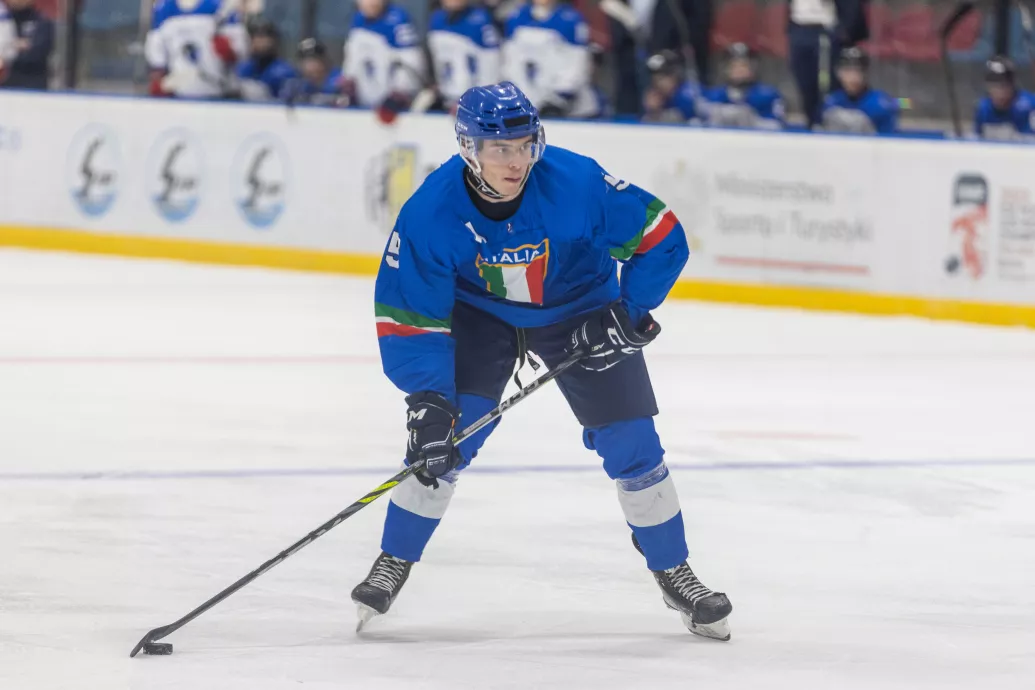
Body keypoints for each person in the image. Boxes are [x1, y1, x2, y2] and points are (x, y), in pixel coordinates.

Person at [351, 81, 734, 642]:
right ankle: (394, 558)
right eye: (500, 149)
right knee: (444, 439)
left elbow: (662, 236)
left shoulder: (576, 182)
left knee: (632, 441)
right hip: (481, 316)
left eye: (525, 145)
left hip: (581, 308)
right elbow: (411, 314)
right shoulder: (431, 211)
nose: (516, 161)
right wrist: (428, 398)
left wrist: (626, 314)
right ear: (469, 149)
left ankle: (674, 570)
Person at [502, 0, 601, 118]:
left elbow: (578, 64)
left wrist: (561, 95)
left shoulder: (571, 19)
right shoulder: (516, 17)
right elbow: (510, 62)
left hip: (568, 106)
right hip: (528, 102)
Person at [787, 0, 867, 128]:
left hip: (826, 27)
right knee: (804, 82)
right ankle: (812, 123)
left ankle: (832, 124)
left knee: (828, 84)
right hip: (798, 26)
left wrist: (843, 29)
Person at [145, 0, 248, 99]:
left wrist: (229, 51)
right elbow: (156, 56)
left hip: (219, 92)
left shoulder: (221, 6)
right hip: (178, 93)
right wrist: (160, 81)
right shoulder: (163, 9)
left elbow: (240, 50)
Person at [341, 0, 423, 113]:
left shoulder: (398, 21)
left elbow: (412, 62)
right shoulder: (357, 20)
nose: (371, 3)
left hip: (391, 108)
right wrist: (348, 84)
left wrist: (399, 94)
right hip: (362, 103)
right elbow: (352, 58)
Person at [423, 0, 501, 113]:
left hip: (474, 105)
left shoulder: (481, 21)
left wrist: (478, 102)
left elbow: (492, 68)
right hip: (446, 100)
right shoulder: (436, 20)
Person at [700, 43, 783, 130]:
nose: (739, 70)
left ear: (753, 68)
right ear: (726, 69)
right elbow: (698, 125)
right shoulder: (713, 96)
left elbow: (779, 126)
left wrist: (753, 121)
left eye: (744, 66)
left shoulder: (768, 95)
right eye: (734, 66)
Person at [820, 46, 897, 135]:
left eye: (858, 71)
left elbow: (889, 139)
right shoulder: (830, 101)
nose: (852, 77)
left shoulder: (882, 104)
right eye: (847, 70)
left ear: (866, 73)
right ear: (838, 73)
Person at [974, 55, 1035, 142]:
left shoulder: (1029, 106)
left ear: (1012, 84)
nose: (999, 91)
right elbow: (977, 141)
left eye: (1003, 85)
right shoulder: (983, 109)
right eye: (993, 85)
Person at [236, 16, 296, 102]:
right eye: (257, 37)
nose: (261, 42)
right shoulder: (243, 68)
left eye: (265, 37)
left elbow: (288, 101)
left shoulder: (285, 72)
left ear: (274, 41)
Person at [0, 0, 53, 90]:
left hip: (32, 85)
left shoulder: (41, 20)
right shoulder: (4, 20)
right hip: (5, 85)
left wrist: (10, 50)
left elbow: (38, 52)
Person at [282, 38, 347, 107]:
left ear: (325, 60)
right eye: (307, 61)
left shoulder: (339, 80)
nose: (311, 65)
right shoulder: (296, 85)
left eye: (315, 59)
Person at [641, 49, 700, 124]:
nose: (657, 84)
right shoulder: (659, 98)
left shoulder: (686, 96)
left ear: (674, 77)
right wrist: (652, 111)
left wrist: (655, 113)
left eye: (661, 78)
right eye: (654, 79)